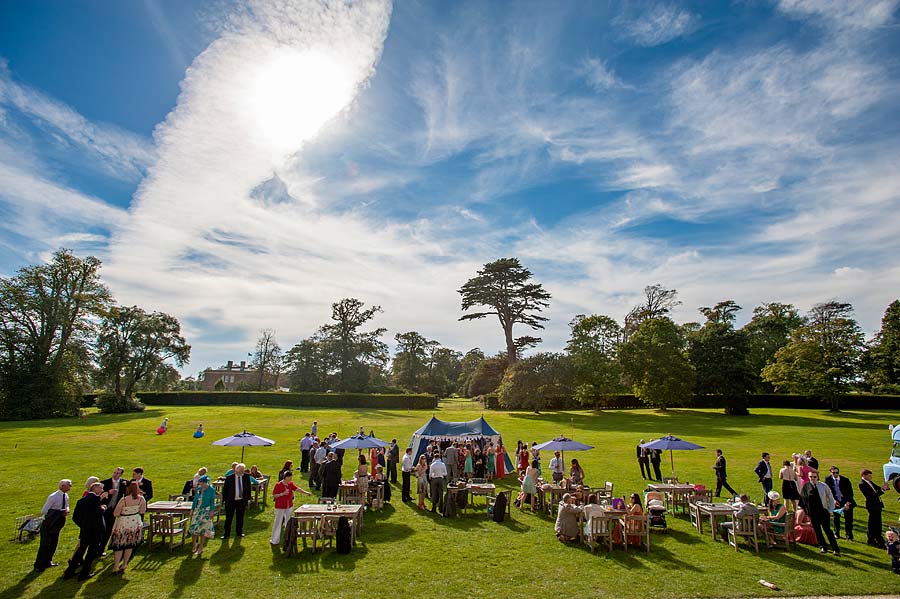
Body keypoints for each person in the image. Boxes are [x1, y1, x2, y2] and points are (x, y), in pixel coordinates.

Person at [63, 480, 106, 581]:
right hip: (95, 531)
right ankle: (84, 573)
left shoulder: (81, 500)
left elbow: (76, 517)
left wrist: (83, 526)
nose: (102, 490)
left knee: (80, 551)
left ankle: (70, 571)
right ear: (94, 488)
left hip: (85, 531)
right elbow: (97, 513)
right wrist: (103, 508)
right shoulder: (95, 499)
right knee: (91, 553)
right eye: (100, 488)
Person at [34, 479, 71, 571]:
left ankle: (48, 561)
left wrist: (67, 509)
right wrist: (60, 512)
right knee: (45, 544)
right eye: (69, 485)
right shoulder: (53, 497)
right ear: (62, 486)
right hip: (49, 524)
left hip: (58, 523)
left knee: (54, 543)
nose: (70, 487)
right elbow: (44, 511)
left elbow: (66, 505)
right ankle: (39, 564)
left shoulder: (65, 496)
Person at [108, 481, 146, 574]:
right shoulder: (141, 499)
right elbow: (142, 511)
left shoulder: (123, 500)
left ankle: (116, 566)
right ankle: (125, 564)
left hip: (123, 522)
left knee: (120, 545)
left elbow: (115, 513)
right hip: (135, 522)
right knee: (130, 544)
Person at [800, 470, 840, 555]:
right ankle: (823, 547)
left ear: (817, 477)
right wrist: (806, 512)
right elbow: (803, 500)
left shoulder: (823, 486)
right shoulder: (806, 486)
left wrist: (830, 510)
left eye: (814, 477)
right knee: (817, 531)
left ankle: (835, 548)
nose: (813, 478)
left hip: (823, 512)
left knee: (828, 530)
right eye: (811, 477)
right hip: (813, 513)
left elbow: (831, 498)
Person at [270, 470, 311, 546]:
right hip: (280, 506)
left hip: (289, 506)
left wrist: (306, 493)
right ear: (286, 477)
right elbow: (274, 495)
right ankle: (274, 540)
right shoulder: (278, 485)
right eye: (290, 477)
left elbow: (297, 489)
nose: (291, 479)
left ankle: (287, 537)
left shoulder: (290, 484)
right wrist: (282, 494)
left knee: (288, 522)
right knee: (278, 522)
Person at [221, 463, 252, 539]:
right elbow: (225, 490)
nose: (242, 472)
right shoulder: (229, 478)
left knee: (240, 517)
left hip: (241, 501)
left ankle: (239, 532)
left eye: (243, 470)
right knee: (229, 518)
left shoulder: (246, 477)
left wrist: (248, 499)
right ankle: (226, 534)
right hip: (231, 501)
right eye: (241, 471)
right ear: (236, 470)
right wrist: (224, 501)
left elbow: (248, 489)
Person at [859, 468, 887, 548]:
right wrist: (882, 490)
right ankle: (874, 539)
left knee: (876, 523)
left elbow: (877, 488)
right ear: (864, 476)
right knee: (874, 523)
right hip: (872, 506)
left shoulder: (869, 482)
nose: (870, 477)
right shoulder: (862, 484)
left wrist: (883, 487)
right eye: (869, 476)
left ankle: (875, 538)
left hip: (877, 505)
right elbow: (872, 495)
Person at [825, 465, 855, 540]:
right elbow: (828, 492)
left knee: (848, 519)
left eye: (837, 472)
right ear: (830, 472)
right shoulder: (828, 479)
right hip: (836, 501)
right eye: (833, 473)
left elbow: (850, 493)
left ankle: (849, 535)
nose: (835, 474)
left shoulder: (845, 480)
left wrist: (847, 503)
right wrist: (834, 501)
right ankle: (836, 533)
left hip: (846, 500)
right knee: (836, 519)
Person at [100, 467, 126, 552]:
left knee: (109, 529)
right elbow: (99, 495)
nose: (115, 474)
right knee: (101, 528)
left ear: (121, 474)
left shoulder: (123, 483)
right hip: (103, 509)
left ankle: (102, 548)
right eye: (114, 472)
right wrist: (108, 492)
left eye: (117, 473)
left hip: (114, 509)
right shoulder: (104, 482)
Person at [190, 475, 216, 556]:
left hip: (206, 511)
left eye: (202, 483)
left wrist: (212, 511)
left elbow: (212, 501)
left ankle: (201, 547)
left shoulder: (211, 490)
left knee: (203, 529)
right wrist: (192, 509)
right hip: (198, 510)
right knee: (194, 528)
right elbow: (195, 500)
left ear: (206, 482)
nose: (201, 485)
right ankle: (194, 545)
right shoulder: (199, 489)